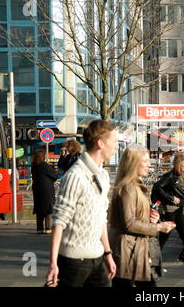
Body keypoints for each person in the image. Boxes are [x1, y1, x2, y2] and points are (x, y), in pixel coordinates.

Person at [45, 120, 119, 287]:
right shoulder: (75, 176)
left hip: (97, 257)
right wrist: (53, 263)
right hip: (73, 261)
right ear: (101, 143)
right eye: (114, 141)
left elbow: (101, 218)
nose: (116, 146)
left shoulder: (103, 175)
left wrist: (107, 253)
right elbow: (59, 221)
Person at [109, 144, 175, 287]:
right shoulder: (129, 188)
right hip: (129, 250)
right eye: (144, 161)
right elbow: (130, 223)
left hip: (134, 249)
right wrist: (157, 227)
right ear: (133, 163)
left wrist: (150, 218)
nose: (148, 166)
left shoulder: (134, 186)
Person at [31, 149, 58, 234]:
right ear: (43, 157)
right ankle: (48, 227)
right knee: (48, 209)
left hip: (36, 188)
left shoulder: (34, 166)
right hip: (46, 189)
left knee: (39, 208)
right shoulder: (44, 165)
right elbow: (54, 175)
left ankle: (39, 228)